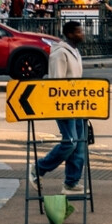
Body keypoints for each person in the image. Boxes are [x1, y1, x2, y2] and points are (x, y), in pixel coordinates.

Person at [35, 20, 89, 196]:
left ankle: (71, 183)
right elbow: (56, 81)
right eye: (79, 32)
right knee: (70, 142)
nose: (83, 34)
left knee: (79, 144)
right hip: (64, 105)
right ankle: (39, 168)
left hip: (77, 104)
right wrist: (61, 104)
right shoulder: (59, 53)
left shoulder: (75, 51)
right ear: (70, 34)